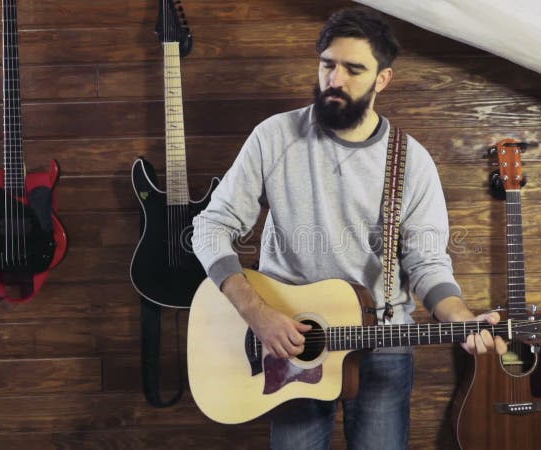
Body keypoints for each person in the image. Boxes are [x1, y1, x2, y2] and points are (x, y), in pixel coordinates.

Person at [192, 7, 506, 449]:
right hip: (288, 339)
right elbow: (210, 227)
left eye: (353, 69)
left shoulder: (410, 161)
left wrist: (463, 320)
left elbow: (427, 262)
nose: (334, 80)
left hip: (383, 345)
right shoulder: (274, 137)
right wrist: (256, 314)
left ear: (383, 79)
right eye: (327, 64)